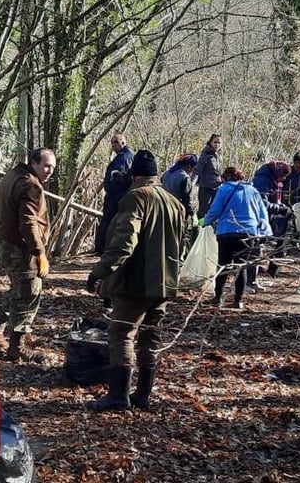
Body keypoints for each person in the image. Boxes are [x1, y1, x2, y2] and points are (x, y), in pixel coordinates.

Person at [85, 150, 187, 411]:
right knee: (151, 336)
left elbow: (124, 242)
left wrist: (100, 271)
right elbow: (182, 245)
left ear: (133, 176)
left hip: (135, 282)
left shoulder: (136, 197)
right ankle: (143, 394)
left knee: (121, 334)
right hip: (164, 283)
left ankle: (119, 396)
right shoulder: (175, 203)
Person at [0, 147, 56, 362]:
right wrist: (39, 252)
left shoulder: (12, 175)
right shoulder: (30, 185)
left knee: (16, 291)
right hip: (22, 249)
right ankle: (18, 347)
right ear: (33, 163)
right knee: (29, 294)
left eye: (52, 167)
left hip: (8, 243)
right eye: (46, 165)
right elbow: (28, 221)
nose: (49, 171)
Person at [201, 166, 272, 310]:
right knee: (242, 267)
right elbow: (262, 213)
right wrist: (265, 232)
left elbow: (215, 210)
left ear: (226, 177)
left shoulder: (223, 190)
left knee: (223, 266)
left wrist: (203, 221)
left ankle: (218, 298)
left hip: (227, 232)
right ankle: (238, 300)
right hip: (248, 234)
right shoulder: (253, 191)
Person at [94, 134, 134, 255]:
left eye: (116, 142)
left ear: (123, 143)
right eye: (112, 142)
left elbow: (120, 175)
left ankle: (105, 249)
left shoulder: (125, 157)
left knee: (111, 222)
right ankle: (103, 248)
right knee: (108, 221)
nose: (114, 145)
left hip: (117, 195)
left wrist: (114, 185)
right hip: (114, 194)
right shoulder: (121, 157)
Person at [252, 160, 292, 277]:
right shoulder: (262, 180)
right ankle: (251, 277)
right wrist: (280, 209)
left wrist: (281, 206)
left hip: (268, 217)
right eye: (283, 176)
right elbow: (262, 203)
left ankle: (257, 273)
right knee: (257, 246)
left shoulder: (272, 179)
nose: (284, 179)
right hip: (259, 219)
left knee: (264, 245)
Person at [161, 153, 198, 224]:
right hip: (176, 211)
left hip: (163, 209)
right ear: (190, 166)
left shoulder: (166, 174)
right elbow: (187, 200)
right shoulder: (184, 178)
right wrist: (192, 214)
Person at [194, 133, 223, 218]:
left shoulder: (219, 156)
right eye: (215, 142)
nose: (217, 144)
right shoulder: (206, 155)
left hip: (217, 186)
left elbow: (219, 172)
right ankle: (199, 228)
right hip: (205, 187)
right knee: (202, 211)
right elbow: (197, 170)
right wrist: (191, 184)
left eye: (219, 142)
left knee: (215, 209)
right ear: (210, 142)